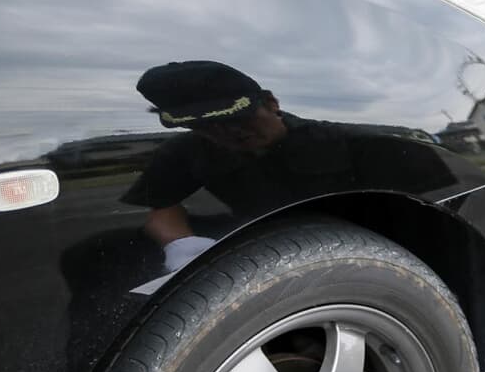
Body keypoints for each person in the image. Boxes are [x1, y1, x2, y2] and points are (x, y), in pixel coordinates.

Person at [124, 61, 457, 272]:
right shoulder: (189, 150)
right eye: (207, 128)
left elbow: (438, 215)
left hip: (371, 243)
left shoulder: (362, 143)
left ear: (271, 103)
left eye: (239, 118)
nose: (228, 133)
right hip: (265, 243)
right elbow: (162, 207)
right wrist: (182, 247)